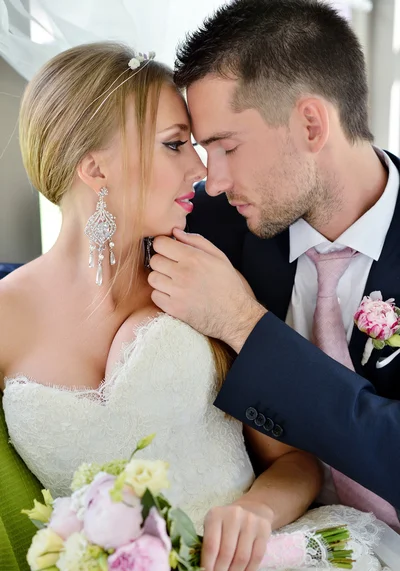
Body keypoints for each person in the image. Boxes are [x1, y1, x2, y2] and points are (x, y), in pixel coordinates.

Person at [0, 41, 397, 571]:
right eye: (175, 145)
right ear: (94, 167)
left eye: (201, 144)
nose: (202, 172)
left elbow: (294, 459)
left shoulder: (205, 275)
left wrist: (255, 510)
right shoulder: (6, 316)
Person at [148, 0, 400, 532]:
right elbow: (93, 270)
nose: (211, 180)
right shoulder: (209, 223)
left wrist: (244, 324)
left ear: (310, 125)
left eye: (226, 146)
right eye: (198, 148)